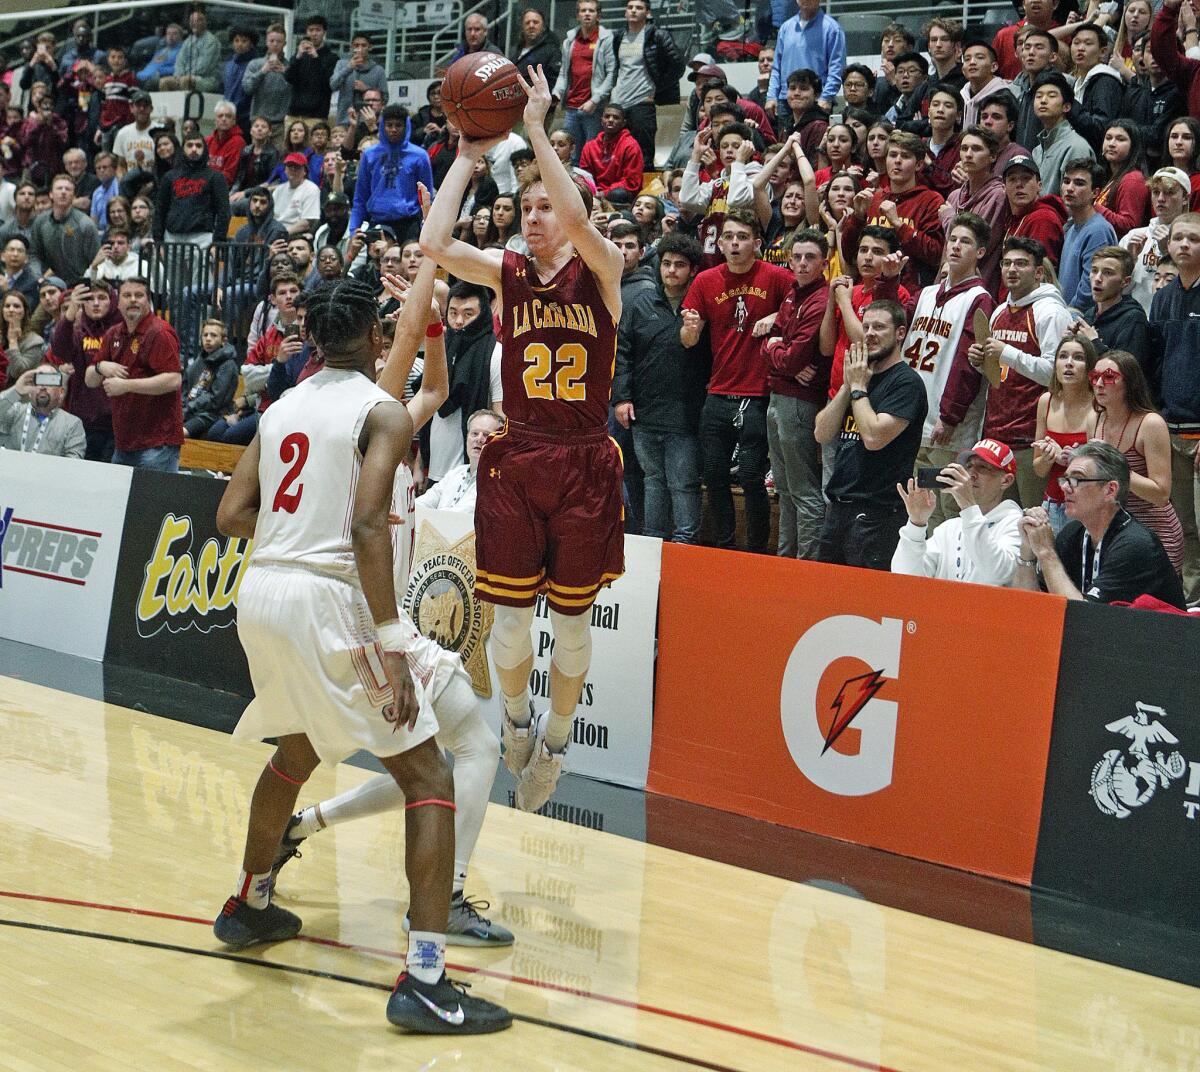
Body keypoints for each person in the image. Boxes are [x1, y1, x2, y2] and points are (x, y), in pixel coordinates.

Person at [210, 269, 512, 1033]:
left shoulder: (279, 407)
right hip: (332, 600)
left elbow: (229, 514)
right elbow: (369, 526)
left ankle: (249, 903)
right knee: (430, 775)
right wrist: (395, 639)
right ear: (377, 339)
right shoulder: (381, 412)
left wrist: (293, 538)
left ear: (310, 336)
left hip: (264, 593)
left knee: (296, 748)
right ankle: (427, 979)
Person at [421, 65, 625, 813]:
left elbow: (577, 226)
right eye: (525, 207)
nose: (534, 217)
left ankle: (559, 741)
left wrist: (535, 128)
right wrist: (470, 156)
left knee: (570, 632)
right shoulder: (508, 275)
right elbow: (436, 241)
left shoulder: (605, 269)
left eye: (546, 206)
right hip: (517, 455)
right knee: (508, 630)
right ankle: (513, 723)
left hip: (583, 465)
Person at [680, 209, 793, 552]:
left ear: (757, 244)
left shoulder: (776, 277)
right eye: (728, 236)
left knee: (750, 477)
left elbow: (803, 306)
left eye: (742, 237)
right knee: (713, 476)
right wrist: (690, 329)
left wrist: (776, 315)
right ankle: (726, 547)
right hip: (718, 391)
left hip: (758, 394)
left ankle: (756, 552)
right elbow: (688, 340)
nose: (734, 243)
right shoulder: (705, 280)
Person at [814, 301, 928, 569]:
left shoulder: (907, 383)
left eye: (879, 327)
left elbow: (874, 437)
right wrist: (847, 386)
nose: (869, 334)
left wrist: (857, 389)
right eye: (866, 327)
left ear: (900, 333)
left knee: (864, 605)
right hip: (838, 508)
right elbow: (821, 433)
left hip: (878, 513)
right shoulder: (859, 378)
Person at [613, 231, 707, 543]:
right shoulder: (640, 303)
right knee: (652, 479)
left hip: (684, 411)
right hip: (644, 409)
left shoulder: (701, 305)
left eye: (679, 265)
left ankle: (685, 542)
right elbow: (623, 353)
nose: (671, 271)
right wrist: (622, 398)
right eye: (666, 263)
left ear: (692, 269)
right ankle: (653, 541)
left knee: (682, 482)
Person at [1014, 441, 1186, 607]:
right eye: (1065, 480)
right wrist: (1028, 550)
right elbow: (1028, 606)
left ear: (1110, 490)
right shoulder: (1072, 533)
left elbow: (1085, 618)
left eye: (1077, 480)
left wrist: (1046, 553)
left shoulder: (1136, 545)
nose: (1065, 487)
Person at [905, 213, 994, 529]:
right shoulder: (927, 294)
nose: (955, 246)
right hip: (916, 418)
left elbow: (968, 364)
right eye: (952, 239)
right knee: (919, 508)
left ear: (980, 252)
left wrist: (950, 415)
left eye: (965, 242)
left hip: (948, 426)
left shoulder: (979, 299)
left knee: (948, 509)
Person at [969, 236, 1071, 507]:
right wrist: (980, 362)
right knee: (996, 521)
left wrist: (1007, 353)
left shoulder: (1051, 312)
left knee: (1032, 521)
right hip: (995, 433)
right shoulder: (1000, 310)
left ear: (1039, 272)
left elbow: (1056, 374)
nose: (1012, 269)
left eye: (1021, 264)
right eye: (1007, 263)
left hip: (1030, 439)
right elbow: (998, 372)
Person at [762, 228, 830, 559]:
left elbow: (792, 357)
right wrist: (779, 355)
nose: (802, 264)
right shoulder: (791, 293)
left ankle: (807, 567)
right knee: (785, 490)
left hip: (800, 403)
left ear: (824, 262)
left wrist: (778, 354)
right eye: (797, 257)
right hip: (778, 395)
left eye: (810, 258)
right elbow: (774, 341)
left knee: (803, 492)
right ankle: (785, 560)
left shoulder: (821, 299)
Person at [1091, 349, 1184, 573]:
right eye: (1095, 377)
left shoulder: (1150, 424)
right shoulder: (1095, 419)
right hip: (1115, 531)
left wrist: (1116, 466)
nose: (1099, 383)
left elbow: (1161, 494)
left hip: (1156, 533)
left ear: (1130, 383)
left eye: (1110, 376)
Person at [1148, 211, 1200, 601]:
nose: (1184, 244)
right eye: (1179, 238)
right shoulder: (1162, 298)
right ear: (1168, 245)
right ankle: (1189, 599)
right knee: (1182, 525)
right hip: (1170, 429)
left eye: (1194, 239)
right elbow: (1155, 365)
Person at [892, 437, 1023, 584]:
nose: (971, 474)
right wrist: (916, 525)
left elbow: (998, 574)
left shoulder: (1017, 525)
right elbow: (904, 577)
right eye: (969, 466)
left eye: (982, 468)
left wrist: (968, 507)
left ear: (1006, 481)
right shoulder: (949, 528)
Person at [85, 276, 183, 471]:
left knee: (153, 501)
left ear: (148, 301)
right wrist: (100, 367)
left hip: (157, 444)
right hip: (123, 442)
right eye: (127, 295)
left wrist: (126, 385)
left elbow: (173, 379)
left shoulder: (159, 332)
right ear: (118, 302)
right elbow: (90, 380)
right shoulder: (114, 333)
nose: (133, 300)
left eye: (139, 295)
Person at [842, 131, 945, 292]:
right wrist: (857, 218)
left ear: (918, 165)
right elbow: (850, 255)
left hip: (906, 292)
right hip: (868, 289)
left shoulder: (931, 200)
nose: (897, 161)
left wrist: (898, 225)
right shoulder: (873, 199)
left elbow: (936, 254)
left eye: (905, 156)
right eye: (893, 155)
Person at [1033, 336, 1099, 532]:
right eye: (1063, 356)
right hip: (1052, 504)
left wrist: (1070, 459)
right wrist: (1049, 457)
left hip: (1087, 507)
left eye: (1078, 357)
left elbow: (1103, 470)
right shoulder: (1046, 401)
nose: (1069, 363)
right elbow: (1039, 469)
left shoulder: (1098, 405)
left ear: (1090, 367)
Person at [609, 0, 685, 167]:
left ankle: (645, 193)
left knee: (643, 156)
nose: (634, 11)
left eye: (639, 8)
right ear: (625, 13)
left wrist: (657, 89)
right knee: (616, 155)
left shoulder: (658, 36)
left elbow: (678, 65)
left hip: (642, 103)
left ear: (648, 13)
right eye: (630, 8)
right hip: (618, 104)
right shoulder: (618, 37)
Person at [51, 282, 120, 460]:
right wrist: (71, 310)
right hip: (84, 419)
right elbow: (60, 349)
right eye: (89, 299)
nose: (96, 303)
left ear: (112, 301)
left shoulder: (123, 331)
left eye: (102, 298)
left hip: (116, 421)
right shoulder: (79, 333)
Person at [351, 106, 435, 244]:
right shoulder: (369, 155)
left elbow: (427, 197)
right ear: (382, 126)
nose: (394, 129)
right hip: (378, 222)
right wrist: (353, 229)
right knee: (379, 265)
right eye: (389, 125)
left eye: (398, 125)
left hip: (409, 224)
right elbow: (360, 197)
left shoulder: (419, 156)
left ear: (406, 126)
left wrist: (427, 228)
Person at [1122, 166, 1189, 313]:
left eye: (1169, 193)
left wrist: (1168, 252)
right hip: (1136, 320)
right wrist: (1130, 261)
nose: (1160, 199)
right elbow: (1119, 291)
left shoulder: (1193, 239)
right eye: (1156, 192)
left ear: (1185, 198)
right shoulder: (1133, 237)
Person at [767, 0, 847, 118]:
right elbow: (776, 67)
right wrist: (771, 96)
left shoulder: (832, 29)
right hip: (786, 100)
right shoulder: (785, 28)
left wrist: (826, 97)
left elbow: (837, 68)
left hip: (817, 101)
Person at [418, 408, 505, 512]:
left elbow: (460, 515)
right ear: (467, 437)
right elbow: (423, 502)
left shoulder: (497, 480)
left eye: (486, 435)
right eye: (475, 433)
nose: (479, 439)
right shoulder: (455, 473)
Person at [1058, 158, 1117, 309]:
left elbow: (1090, 291)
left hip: (1081, 323)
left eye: (1079, 183)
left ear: (1095, 193)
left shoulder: (1098, 231)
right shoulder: (1071, 228)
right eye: (1066, 181)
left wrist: (1066, 317)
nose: (1069, 188)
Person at [1075, 245, 1151, 359]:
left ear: (1125, 282)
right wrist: (1070, 341)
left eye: (1108, 273)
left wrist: (1094, 343)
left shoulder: (1133, 319)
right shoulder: (1089, 315)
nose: (1097, 278)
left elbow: (1127, 371)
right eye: (1094, 270)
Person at [1030, 72, 1095, 197]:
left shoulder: (1076, 147)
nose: (1043, 101)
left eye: (1051, 96)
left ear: (1066, 107)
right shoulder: (1037, 151)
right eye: (1038, 96)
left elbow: (1077, 203)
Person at [0, 363, 85, 457]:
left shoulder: (72, 424)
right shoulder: (15, 412)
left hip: (51, 471)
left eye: (50, 381)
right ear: (29, 392)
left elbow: (74, 464)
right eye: (38, 381)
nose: (43, 387)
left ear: (61, 392)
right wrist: (16, 391)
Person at [30, 174, 100, 286]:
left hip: (79, 284)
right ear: (51, 194)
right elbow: (34, 255)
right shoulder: (40, 222)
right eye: (59, 188)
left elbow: (96, 261)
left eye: (67, 189)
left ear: (74, 195)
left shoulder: (86, 224)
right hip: (48, 284)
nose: (63, 192)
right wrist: (38, 278)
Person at [1064, 23, 1123, 154]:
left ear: (1102, 51)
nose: (1080, 48)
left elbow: (1101, 127)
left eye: (1088, 43)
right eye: (1076, 43)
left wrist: (1069, 105)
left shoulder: (1105, 81)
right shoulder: (1078, 82)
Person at [1001, 154, 1066, 268]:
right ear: (1004, 188)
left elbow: (1041, 274)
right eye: (1012, 179)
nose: (1019, 184)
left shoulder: (1042, 219)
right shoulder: (1014, 220)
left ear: (1039, 186)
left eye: (1026, 178)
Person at [181, 318, 238, 437]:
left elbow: (215, 399)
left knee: (180, 433)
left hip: (212, 415)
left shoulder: (228, 364)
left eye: (213, 335)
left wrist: (188, 408)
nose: (208, 339)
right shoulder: (199, 360)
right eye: (205, 335)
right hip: (191, 410)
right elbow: (185, 388)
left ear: (223, 340)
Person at [578, 104, 643, 205]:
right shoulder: (589, 147)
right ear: (601, 120)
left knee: (618, 194)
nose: (611, 120)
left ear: (623, 123)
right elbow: (585, 176)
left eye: (616, 117)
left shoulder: (631, 146)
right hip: (595, 192)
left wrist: (604, 193)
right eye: (607, 116)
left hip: (617, 194)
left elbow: (631, 182)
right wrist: (594, 191)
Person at [285, 16, 338, 133]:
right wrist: (298, 56)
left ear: (324, 32)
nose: (314, 34)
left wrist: (316, 57)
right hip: (294, 113)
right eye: (311, 30)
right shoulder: (299, 55)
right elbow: (288, 77)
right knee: (290, 150)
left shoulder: (332, 57)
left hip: (316, 115)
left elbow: (329, 82)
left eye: (318, 30)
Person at [242, 24, 291, 145]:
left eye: (279, 41)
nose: (275, 44)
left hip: (280, 124)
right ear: (266, 42)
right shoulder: (255, 64)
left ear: (284, 44)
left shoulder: (290, 67)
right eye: (272, 41)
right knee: (256, 158)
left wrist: (286, 73)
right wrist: (262, 71)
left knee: (277, 160)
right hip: (258, 122)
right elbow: (247, 88)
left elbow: (298, 90)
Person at [330, 33, 388, 127]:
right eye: (356, 45)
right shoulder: (341, 64)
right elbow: (332, 85)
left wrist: (367, 89)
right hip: (344, 120)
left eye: (363, 45)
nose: (360, 48)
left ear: (370, 47)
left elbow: (385, 98)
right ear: (351, 47)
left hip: (367, 121)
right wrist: (348, 68)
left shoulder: (378, 70)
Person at [159, 8, 221, 93]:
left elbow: (204, 67)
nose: (194, 23)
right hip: (185, 77)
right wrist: (178, 75)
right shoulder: (188, 40)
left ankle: (186, 106)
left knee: (185, 80)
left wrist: (184, 75)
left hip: (207, 79)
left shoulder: (211, 41)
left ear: (204, 23)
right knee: (164, 82)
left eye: (198, 20)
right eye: (192, 21)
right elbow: (179, 61)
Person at [272, 152, 321, 237]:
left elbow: (306, 223)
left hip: (296, 234)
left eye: (297, 167)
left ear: (305, 171)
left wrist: (282, 234)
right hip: (276, 231)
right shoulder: (279, 189)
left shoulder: (311, 189)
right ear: (285, 170)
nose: (293, 169)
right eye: (290, 166)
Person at [512, 7, 561, 88]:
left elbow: (553, 83)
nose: (531, 25)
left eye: (535, 22)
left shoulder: (552, 51)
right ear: (522, 26)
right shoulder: (515, 51)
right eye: (527, 23)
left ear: (543, 26)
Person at [112, 91, 157, 176]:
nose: (142, 109)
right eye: (138, 105)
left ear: (151, 109)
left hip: (155, 182)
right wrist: (124, 184)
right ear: (131, 108)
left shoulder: (160, 130)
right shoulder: (122, 133)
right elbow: (121, 165)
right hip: (131, 183)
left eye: (145, 105)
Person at [206, 101, 247, 187]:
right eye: (220, 116)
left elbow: (229, 177)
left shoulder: (238, 142)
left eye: (228, 116)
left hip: (222, 189)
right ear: (215, 120)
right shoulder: (207, 140)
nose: (224, 119)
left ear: (234, 121)